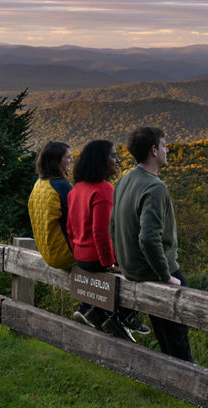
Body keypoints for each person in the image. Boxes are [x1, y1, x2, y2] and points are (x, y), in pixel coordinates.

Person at [111, 127, 193, 362]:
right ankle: (186, 385)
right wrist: (166, 276)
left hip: (132, 270)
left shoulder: (125, 179)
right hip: (156, 272)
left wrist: (122, 261)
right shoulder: (155, 188)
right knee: (178, 338)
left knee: (165, 334)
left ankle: (169, 383)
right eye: (164, 146)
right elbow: (149, 238)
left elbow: (113, 226)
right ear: (154, 150)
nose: (168, 150)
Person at [66, 139, 150, 340]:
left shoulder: (76, 189)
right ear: (100, 160)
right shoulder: (103, 190)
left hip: (80, 255)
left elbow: (70, 228)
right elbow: (101, 232)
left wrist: (77, 252)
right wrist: (109, 263)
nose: (118, 160)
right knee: (144, 262)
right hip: (96, 258)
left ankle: (93, 310)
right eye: (113, 155)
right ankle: (125, 317)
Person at [28, 141, 75, 269]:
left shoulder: (39, 184)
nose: (72, 160)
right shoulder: (61, 186)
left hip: (48, 254)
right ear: (57, 161)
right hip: (66, 255)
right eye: (68, 157)